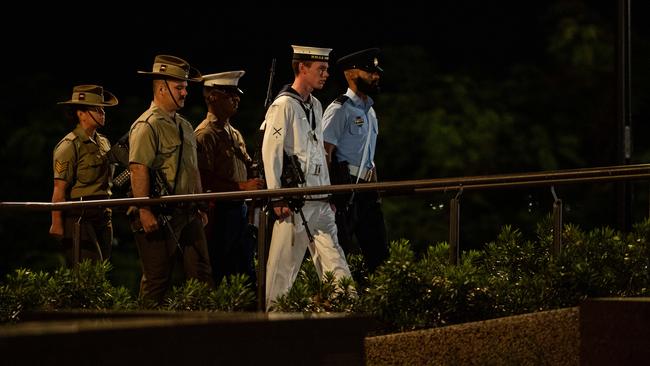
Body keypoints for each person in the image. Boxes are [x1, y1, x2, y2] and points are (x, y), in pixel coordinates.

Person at [262, 45, 354, 310]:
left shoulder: (315, 103)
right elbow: (272, 154)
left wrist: (328, 193)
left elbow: (317, 152)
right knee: (282, 270)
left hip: (319, 197)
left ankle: (345, 314)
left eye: (326, 69)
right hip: (296, 200)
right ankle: (273, 324)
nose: (326, 74)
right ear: (302, 68)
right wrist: (276, 195)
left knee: (335, 260)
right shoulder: (283, 105)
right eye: (320, 69)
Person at [128, 54, 213, 305]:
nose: (185, 92)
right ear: (162, 88)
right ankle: (143, 335)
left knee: (202, 273)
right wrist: (144, 210)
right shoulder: (147, 125)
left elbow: (192, 168)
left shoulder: (185, 125)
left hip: (186, 211)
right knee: (157, 278)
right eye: (179, 87)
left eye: (185, 86)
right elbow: (138, 168)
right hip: (160, 211)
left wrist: (199, 205)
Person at [195, 70, 264, 287]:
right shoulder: (205, 134)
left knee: (245, 272)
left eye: (237, 93)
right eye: (229, 94)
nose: (237, 98)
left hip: (239, 210)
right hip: (219, 213)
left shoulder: (233, 132)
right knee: (219, 271)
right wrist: (242, 187)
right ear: (212, 97)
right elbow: (204, 178)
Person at [323, 48, 389, 273]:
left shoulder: (370, 111)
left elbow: (369, 155)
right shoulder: (339, 109)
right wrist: (331, 193)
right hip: (346, 189)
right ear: (350, 74)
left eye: (376, 72)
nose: (376, 76)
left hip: (367, 190)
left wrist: (376, 189)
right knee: (340, 252)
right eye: (369, 71)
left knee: (379, 254)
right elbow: (325, 152)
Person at [50, 85, 118, 266]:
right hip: (81, 214)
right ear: (81, 113)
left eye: (103, 108)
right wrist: (56, 223)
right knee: (88, 270)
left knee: (102, 269)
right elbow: (59, 188)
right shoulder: (69, 145)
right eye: (96, 109)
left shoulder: (103, 142)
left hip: (104, 213)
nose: (102, 112)